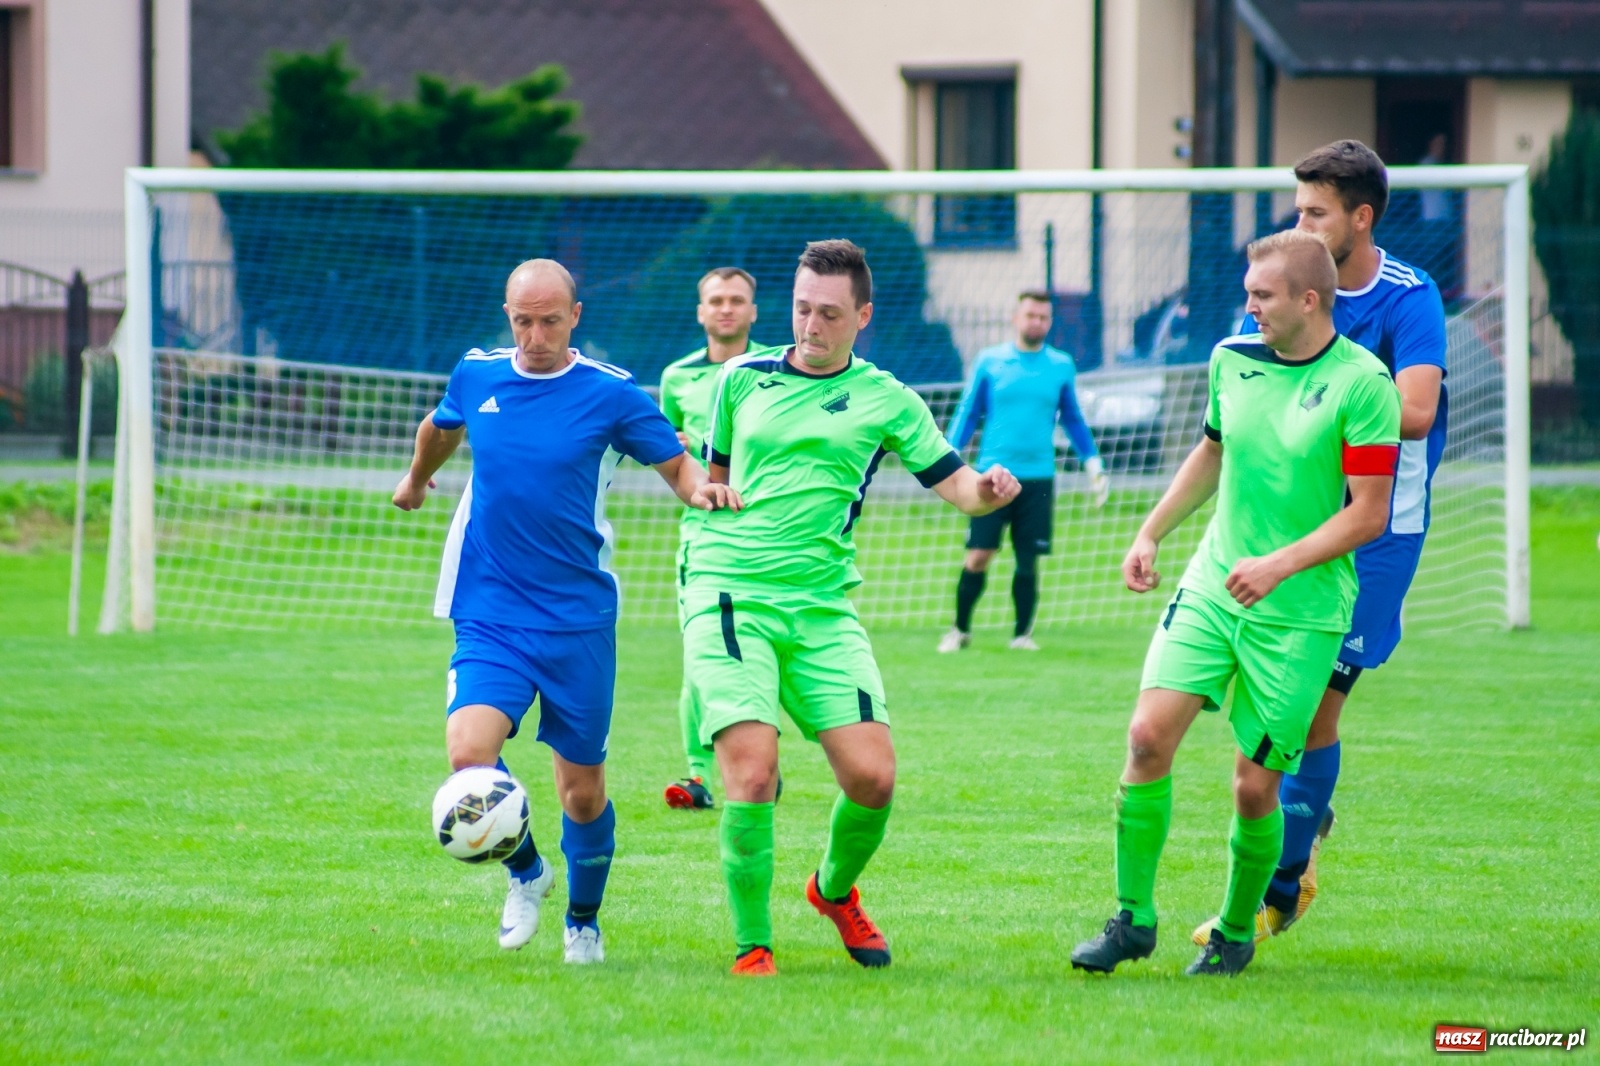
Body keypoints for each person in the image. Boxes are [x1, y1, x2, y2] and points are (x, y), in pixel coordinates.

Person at [1069, 230, 1400, 977]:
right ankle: (1133, 920)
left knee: (1255, 787)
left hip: (1302, 611)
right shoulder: (1231, 359)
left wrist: (1280, 566)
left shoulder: (1364, 384)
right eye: (1248, 292)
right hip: (1213, 586)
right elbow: (1213, 451)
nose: (1248, 306)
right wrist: (1151, 531)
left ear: (1309, 300)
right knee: (1147, 736)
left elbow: (1369, 513)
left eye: (1263, 295)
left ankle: (1234, 932)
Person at [685, 239, 1020, 976]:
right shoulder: (740, 378)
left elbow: (957, 486)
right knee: (751, 768)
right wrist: (708, 493)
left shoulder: (887, 398)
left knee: (873, 778)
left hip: (823, 607)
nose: (811, 325)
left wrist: (987, 492)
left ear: (862, 316)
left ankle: (832, 891)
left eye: (829, 314)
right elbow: (710, 478)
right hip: (729, 588)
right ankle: (753, 946)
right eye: (802, 308)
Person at [392, 259, 740, 965]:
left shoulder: (610, 394)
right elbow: (441, 423)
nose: (536, 334)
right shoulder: (479, 373)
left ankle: (583, 919)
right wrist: (417, 476)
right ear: (508, 314)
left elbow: (674, 462)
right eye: (523, 320)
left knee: (580, 794)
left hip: (578, 617)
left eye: (551, 320)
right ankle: (526, 873)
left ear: (576, 316)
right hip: (489, 606)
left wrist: (701, 490)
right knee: (468, 760)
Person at [1191, 140, 1448, 946]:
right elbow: (1248, 387)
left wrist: (1340, 380)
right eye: (1297, 209)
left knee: (1316, 710)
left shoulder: (1409, 296)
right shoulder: (1281, 293)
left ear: (1359, 218)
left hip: (1377, 529)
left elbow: (1416, 411)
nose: (1298, 223)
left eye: (1315, 213)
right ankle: (1296, 843)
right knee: (1291, 718)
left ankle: (1280, 885)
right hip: (1285, 525)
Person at [659, 267, 776, 811]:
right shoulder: (676, 378)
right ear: (701, 311)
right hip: (704, 540)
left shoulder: (778, 368)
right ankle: (697, 774)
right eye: (716, 300)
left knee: (771, 653)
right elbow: (663, 456)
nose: (726, 309)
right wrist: (675, 446)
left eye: (737, 300)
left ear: (754, 311)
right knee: (700, 656)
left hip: (771, 535)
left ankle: (762, 769)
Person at [938, 291, 1108, 652]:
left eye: (1044, 317)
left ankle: (1021, 635)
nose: (1037, 323)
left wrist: (1093, 462)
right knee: (979, 555)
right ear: (1016, 317)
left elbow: (1073, 419)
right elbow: (968, 413)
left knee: (1028, 560)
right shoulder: (990, 362)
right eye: (1031, 315)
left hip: (1038, 477)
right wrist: (949, 458)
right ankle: (960, 630)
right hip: (991, 476)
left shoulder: (1060, 365)